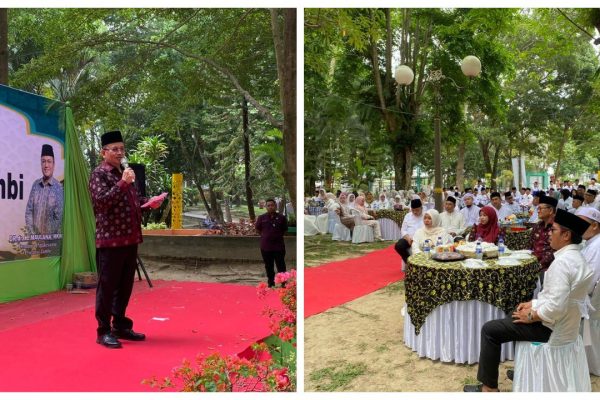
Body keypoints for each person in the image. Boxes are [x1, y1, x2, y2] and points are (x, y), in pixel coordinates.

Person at [463, 209, 593, 392]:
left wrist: (531, 316)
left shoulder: (562, 263)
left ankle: (488, 389)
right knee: (515, 312)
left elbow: (556, 307)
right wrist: (534, 304)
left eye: (553, 230)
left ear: (566, 235)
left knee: (490, 330)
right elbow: (562, 298)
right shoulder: (577, 258)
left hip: (550, 328)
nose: (549, 233)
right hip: (564, 326)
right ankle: (524, 369)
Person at [89, 130, 164, 349]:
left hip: (130, 239)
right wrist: (122, 183)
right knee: (107, 287)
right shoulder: (99, 174)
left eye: (122, 149)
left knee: (124, 287)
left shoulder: (126, 173)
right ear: (103, 152)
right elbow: (101, 203)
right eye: (115, 149)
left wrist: (149, 202)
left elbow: (133, 200)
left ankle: (120, 326)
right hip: (110, 240)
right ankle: (103, 331)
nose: (120, 153)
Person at [575, 207, 600, 376]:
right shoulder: (590, 243)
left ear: (595, 225)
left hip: (589, 300)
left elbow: (589, 281)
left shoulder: (596, 247)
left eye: (581, 223)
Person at [25, 144, 64, 236]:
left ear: (53, 164)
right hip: (34, 240)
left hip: (52, 241)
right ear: (41, 164)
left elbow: (59, 217)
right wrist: (33, 235)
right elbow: (29, 212)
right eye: (43, 161)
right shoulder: (35, 185)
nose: (46, 165)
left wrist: (46, 238)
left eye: (49, 161)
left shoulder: (59, 188)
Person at [255, 198, 288, 288]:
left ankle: (284, 283)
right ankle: (271, 283)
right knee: (269, 266)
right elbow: (258, 229)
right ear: (266, 207)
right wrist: (266, 235)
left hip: (279, 247)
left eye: (272, 205)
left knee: (281, 266)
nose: (270, 207)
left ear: (275, 206)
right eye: (268, 205)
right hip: (266, 247)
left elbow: (284, 230)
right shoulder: (261, 218)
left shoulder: (282, 218)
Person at [529, 195, 557, 279]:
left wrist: (537, 266)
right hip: (533, 264)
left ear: (551, 210)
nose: (538, 211)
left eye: (540, 208)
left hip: (548, 269)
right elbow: (530, 244)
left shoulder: (556, 228)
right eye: (538, 208)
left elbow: (553, 252)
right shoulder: (538, 225)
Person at [394, 198, 425, 266]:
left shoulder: (426, 216)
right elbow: (403, 229)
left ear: (421, 208)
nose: (415, 212)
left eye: (417, 210)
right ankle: (409, 264)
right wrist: (408, 239)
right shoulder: (408, 216)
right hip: (409, 238)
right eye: (413, 210)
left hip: (422, 239)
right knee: (399, 246)